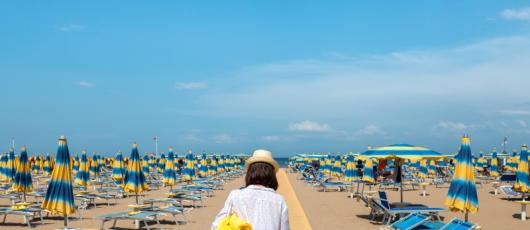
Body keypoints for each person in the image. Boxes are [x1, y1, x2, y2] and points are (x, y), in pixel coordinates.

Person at [212, 149, 290, 230]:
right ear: (272, 174)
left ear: (250, 172)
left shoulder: (236, 195)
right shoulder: (279, 200)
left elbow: (216, 226)